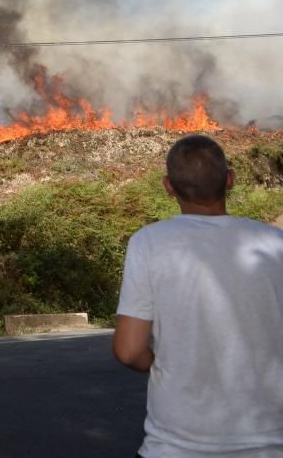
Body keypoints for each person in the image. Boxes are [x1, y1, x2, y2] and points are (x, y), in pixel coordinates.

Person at [113, 134, 283, 457]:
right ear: (230, 180)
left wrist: (166, 363)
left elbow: (128, 350)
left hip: (173, 449)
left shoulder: (149, 243)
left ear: (168, 186)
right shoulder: (276, 244)